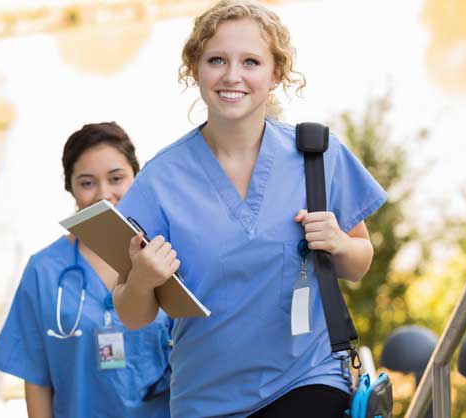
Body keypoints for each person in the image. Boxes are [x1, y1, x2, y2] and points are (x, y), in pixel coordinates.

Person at [112, 1, 388, 417]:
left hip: (306, 379)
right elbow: (133, 314)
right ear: (194, 68)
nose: (232, 76)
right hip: (205, 400)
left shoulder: (317, 155)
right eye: (216, 60)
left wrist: (339, 244)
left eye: (251, 62)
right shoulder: (160, 180)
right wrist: (143, 281)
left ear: (276, 73)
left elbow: (359, 263)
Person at [0, 122, 172, 418]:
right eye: (87, 183)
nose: (103, 194)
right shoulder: (44, 270)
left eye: (116, 178)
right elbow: (36, 379)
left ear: (136, 177)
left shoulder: (164, 257)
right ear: (69, 188)